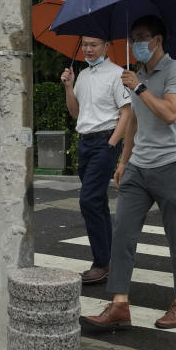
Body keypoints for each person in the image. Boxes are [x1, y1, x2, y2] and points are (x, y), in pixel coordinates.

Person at [83, 15, 176, 330]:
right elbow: (133, 120)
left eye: (142, 37)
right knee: (122, 235)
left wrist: (140, 86)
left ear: (158, 40)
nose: (136, 44)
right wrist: (123, 161)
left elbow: (170, 113)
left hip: (171, 166)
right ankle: (119, 304)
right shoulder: (138, 74)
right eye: (133, 38)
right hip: (138, 168)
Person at [60, 36, 132, 284]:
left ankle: (101, 262)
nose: (88, 49)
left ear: (106, 46)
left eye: (94, 44)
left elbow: (127, 112)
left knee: (88, 199)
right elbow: (75, 112)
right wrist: (68, 87)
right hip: (85, 142)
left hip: (105, 141)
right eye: (85, 45)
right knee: (97, 201)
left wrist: (112, 143)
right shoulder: (81, 74)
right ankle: (111, 259)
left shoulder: (117, 74)